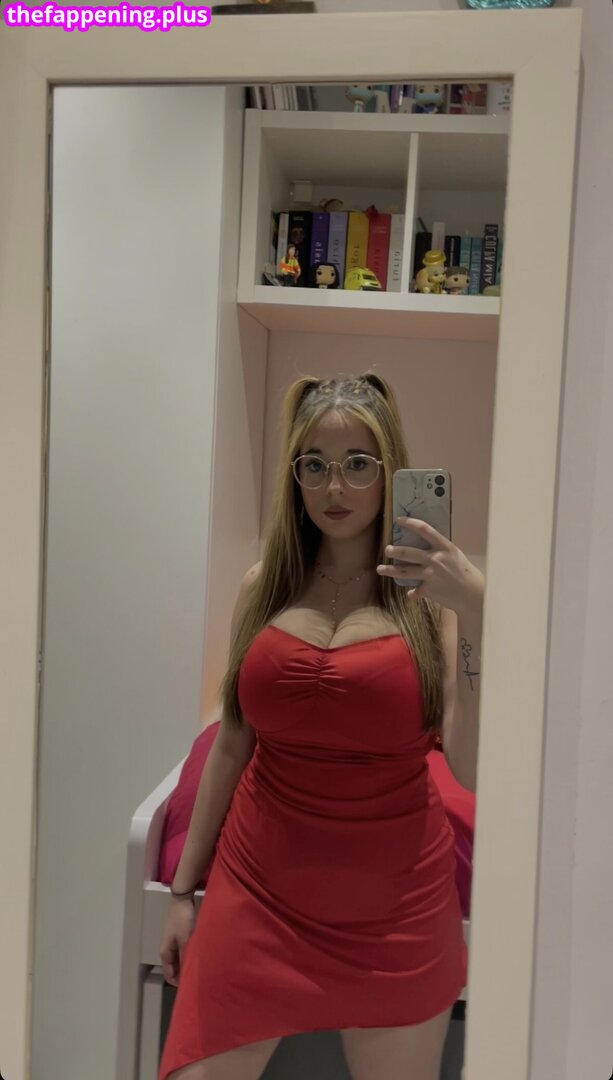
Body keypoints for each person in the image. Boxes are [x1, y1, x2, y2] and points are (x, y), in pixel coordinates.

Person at [158, 372, 484, 1080]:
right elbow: (232, 744)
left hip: (396, 906)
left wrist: (478, 613)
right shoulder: (264, 586)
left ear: (390, 472)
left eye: (358, 464)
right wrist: (182, 894)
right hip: (257, 890)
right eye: (315, 465)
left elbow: (469, 767)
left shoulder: (430, 602)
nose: (335, 486)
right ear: (295, 476)